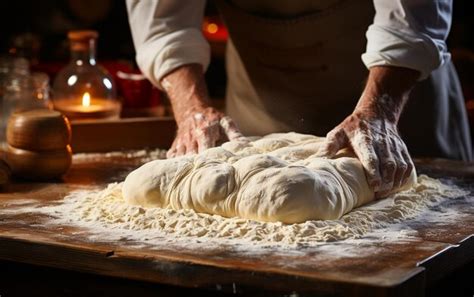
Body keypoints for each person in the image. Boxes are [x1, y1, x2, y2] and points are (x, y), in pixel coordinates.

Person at [126, 0, 472, 197]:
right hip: (260, 106)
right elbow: (163, 23)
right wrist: (192, 110)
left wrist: (379, 109)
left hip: (398, 101)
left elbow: (411, 18)